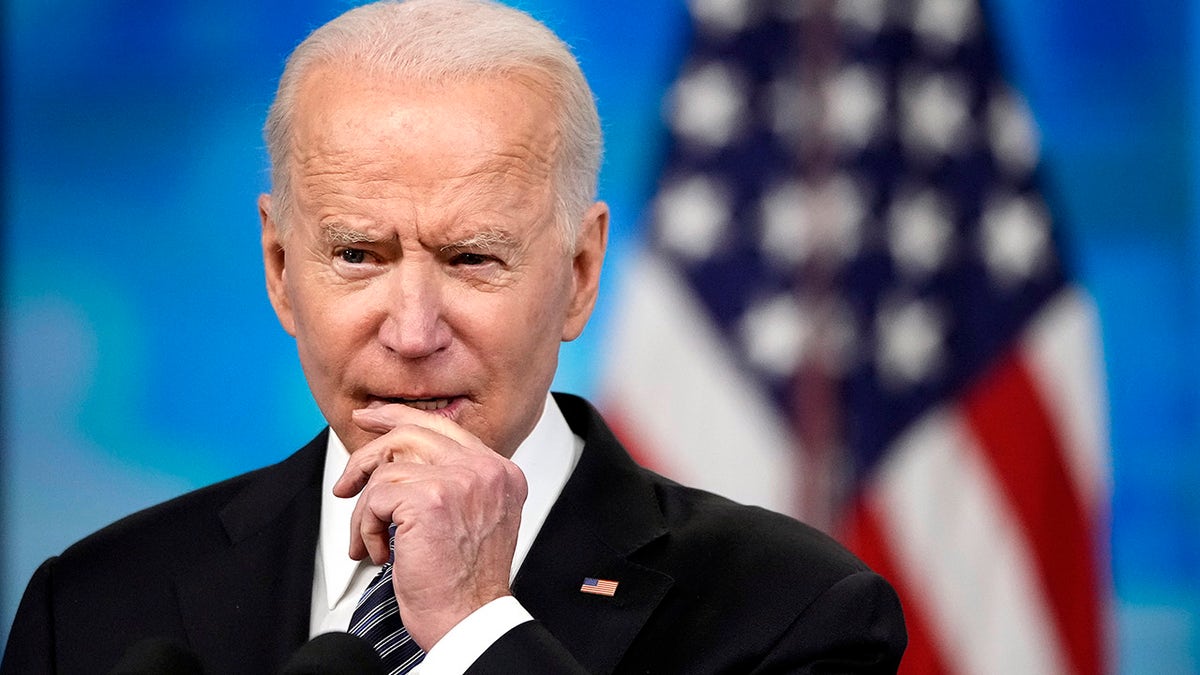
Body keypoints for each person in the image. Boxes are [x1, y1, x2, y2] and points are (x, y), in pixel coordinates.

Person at [1, 1, 907, 672]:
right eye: (356, 253)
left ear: (580, 273)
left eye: (473, 257)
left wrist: (480, 628)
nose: (412, 330)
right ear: (280, 267)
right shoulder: (88, 606)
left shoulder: (796, 613)